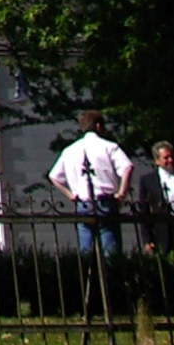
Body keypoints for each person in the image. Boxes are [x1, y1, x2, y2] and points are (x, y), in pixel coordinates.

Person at [49, 111, 132, 259]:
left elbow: (54, 176)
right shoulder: (109, 146)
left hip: (83, 203)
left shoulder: (70, 150)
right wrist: (121, 193)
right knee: (110, 253)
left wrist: (71, 195)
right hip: (105, 201)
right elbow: (127, 167)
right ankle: (112, 279)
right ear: (99, 126)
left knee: (86, 253)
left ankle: (88, 278)